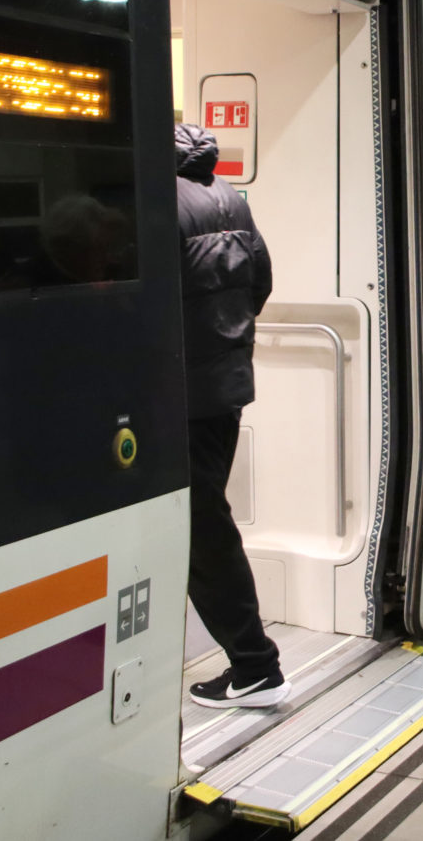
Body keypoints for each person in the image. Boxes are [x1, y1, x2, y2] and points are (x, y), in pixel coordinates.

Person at [175, 123, 290, 707]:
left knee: (201, 531)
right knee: (202, 522)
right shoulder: (227, 197)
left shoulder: (153, 200)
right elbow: (260, 281)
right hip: (223, 385)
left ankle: (255, 666)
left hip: (179, 393)